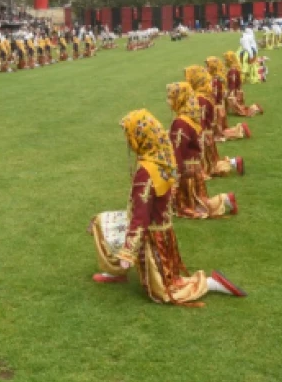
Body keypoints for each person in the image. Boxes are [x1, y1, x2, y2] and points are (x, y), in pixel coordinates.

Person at [88, 110, 245, 304]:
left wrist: (129, 252)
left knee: (164, 292)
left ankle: (211, 283)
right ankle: (114, 272)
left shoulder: (146, 172)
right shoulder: (161, 158)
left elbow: (141, 217)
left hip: (152, 237)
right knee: (100, 221)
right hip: (161, 229)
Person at [165, 83, 237, 220]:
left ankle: (224, 199)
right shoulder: (190, 117)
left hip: (186, 170)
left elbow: (177, 151)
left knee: (190, 206)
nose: (168, 102)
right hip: (195, 168)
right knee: (196, 201)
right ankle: (231, 167)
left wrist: (174, 176)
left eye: (170, 98)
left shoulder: (180, 122)